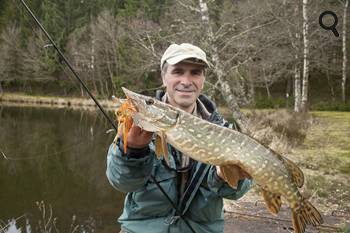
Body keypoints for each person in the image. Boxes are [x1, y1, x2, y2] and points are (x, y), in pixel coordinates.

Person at [106, 43, 252, 233]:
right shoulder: (139, 124)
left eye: (195, 73)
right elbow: (122, 182)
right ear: (163, 76)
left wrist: (223, 177)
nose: (186, 80)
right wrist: (133, 152)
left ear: (203, 79)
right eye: (178, 71)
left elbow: (236, 192)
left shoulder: (223, 130)